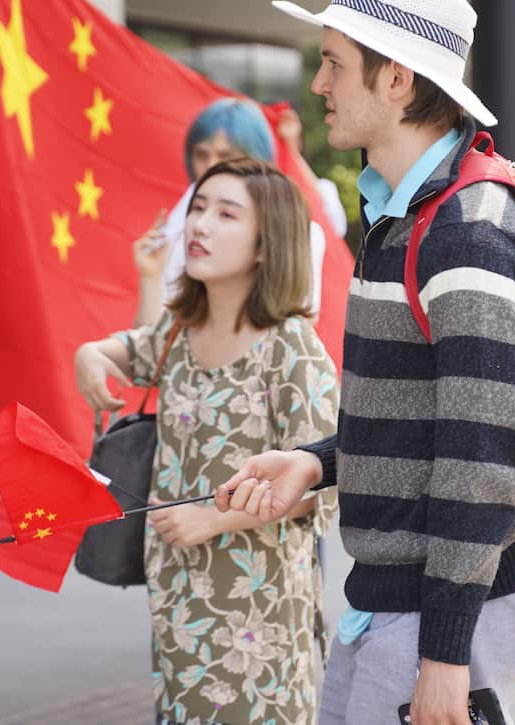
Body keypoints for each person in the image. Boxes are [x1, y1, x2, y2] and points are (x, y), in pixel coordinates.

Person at [215, 0, 515, 725]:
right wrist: (316, 459)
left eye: (335, 64)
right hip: (390, 606)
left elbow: (482, 460)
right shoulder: (401, 215)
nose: (319, 85)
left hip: (439, 622)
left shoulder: (469, 233)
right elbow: (432, 418)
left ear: (397, 79)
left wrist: (446, 657)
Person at [73, 158, 339, 725]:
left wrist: (214, 519)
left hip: (259, 614)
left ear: (267, 244)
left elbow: (320, 489)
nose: (200, 225)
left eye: (226, 214)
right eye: (197, 208)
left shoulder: (293, 348)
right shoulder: (178, 332)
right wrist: (88, 357)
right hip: (176, 597)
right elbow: (122, 349)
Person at [133, 98, 340, 327]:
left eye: (226, 156)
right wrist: (150, 278)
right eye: (202, 154)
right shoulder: (178, 226)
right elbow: (150, 345)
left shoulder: (298, 233)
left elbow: (297, 328)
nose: (212, 166)